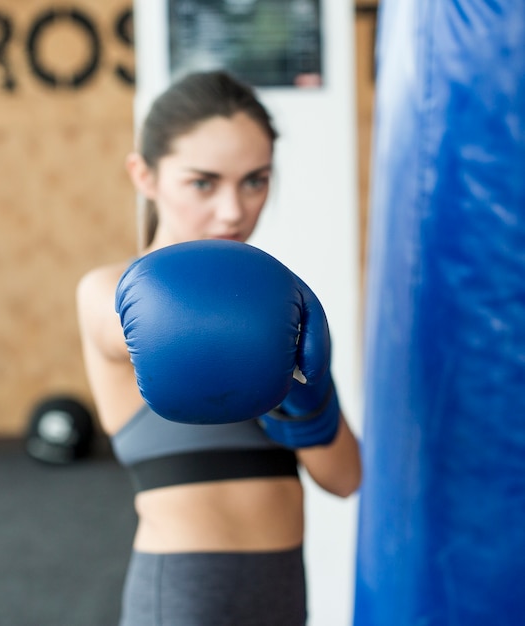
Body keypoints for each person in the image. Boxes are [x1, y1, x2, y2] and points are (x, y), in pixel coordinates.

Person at [76, 70, 362, 626]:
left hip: (281, 591)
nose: (234, 210)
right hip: (184, 594)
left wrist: (309, 405)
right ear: (145, 174)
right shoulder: (104, 292)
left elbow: (345, 478)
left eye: (255, 181)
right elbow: (123, 328)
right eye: (204, 183)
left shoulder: (279, 311)